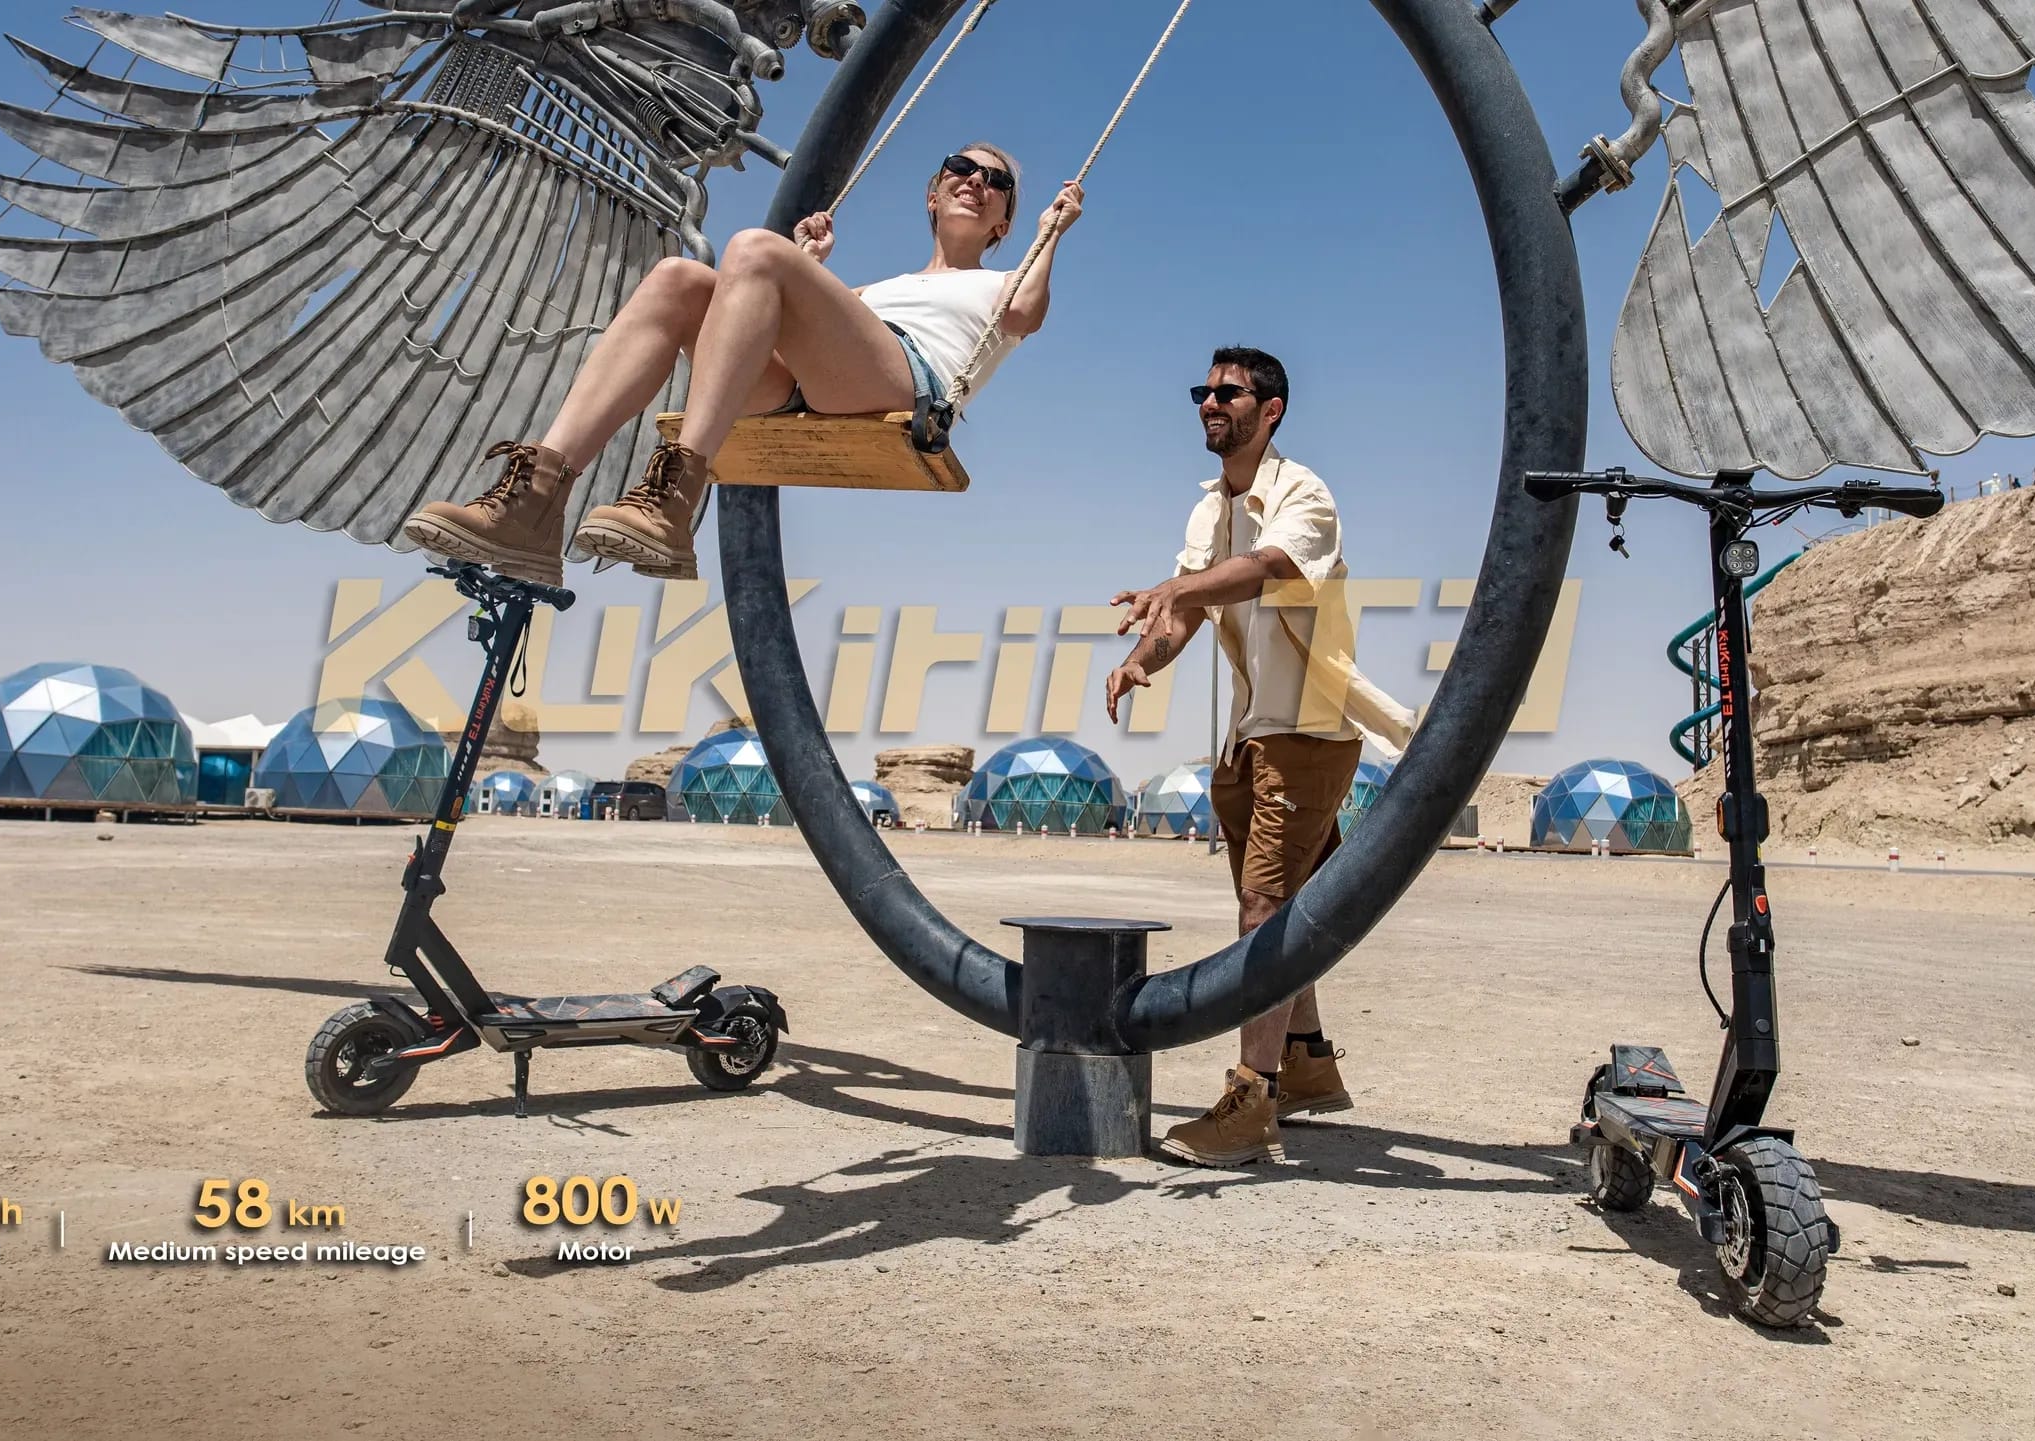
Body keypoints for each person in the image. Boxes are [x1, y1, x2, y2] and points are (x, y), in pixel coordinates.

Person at [403, 145, 1083, 584]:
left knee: (754, 249)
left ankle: (673, 497)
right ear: (933, 195)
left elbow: (1023, 316)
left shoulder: (1002, 288)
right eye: (960, 169)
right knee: (678, 278)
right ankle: (536, 498)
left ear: (1002, 225)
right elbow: (781, 337)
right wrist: (802, 271)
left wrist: (1049, 236)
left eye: (995, 184)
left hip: (910, 384)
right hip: (824, 379)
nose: (977, 182)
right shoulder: (875, 291)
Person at [1103, 346, 1415, 1168]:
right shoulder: (1209, 508)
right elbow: (1185, 611)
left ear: (1269, 409)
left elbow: (1268, 569)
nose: (1210, 402)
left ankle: (1251, 1101)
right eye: (1203, 390)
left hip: (1306, 731)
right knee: (1293, 908)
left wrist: (1180, 591)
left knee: (1265, 910)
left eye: (1228, 392)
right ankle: (1307, 1062)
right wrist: (1144, 656)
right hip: (1250, 735)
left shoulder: (1302, 494)